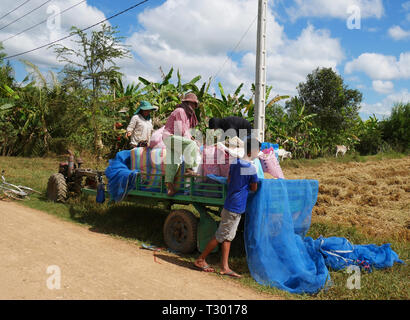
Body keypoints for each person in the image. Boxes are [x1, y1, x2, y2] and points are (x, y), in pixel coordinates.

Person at [194, 137, 260, 278]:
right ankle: (201, 259)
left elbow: (229, 180)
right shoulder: (251, 169)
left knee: (228, 237)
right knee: (221, 235)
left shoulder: (235, 163)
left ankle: (224, 267)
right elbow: (254, 188)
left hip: (230, 202)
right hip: (235, 207)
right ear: (253, 151)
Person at [162, 93, 201, 196]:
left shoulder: (187, 115)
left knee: (173, 162)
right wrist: (192, 141)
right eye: (192, 104)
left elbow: (185, 131)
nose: (193, 107)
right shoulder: (180, 111)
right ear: (187, 102)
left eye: (194, 105)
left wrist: (192, 138)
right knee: (191, 144)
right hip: (170, 136)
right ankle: (188, 169)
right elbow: (180, 130)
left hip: (174, 139)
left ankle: (170, 188)